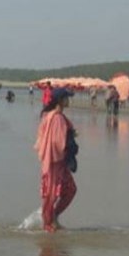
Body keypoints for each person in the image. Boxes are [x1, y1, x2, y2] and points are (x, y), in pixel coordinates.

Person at [35, 88, 78, 233]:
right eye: (66, 98)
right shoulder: (57, 117)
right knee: (53, 193)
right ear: (60, 100)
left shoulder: (50, 116)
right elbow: (58, 142)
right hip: (56, 160)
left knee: (64, 190)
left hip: (53, 159)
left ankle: (52, 218)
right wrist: (68, 142)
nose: (68, 100)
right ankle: (49, 223)